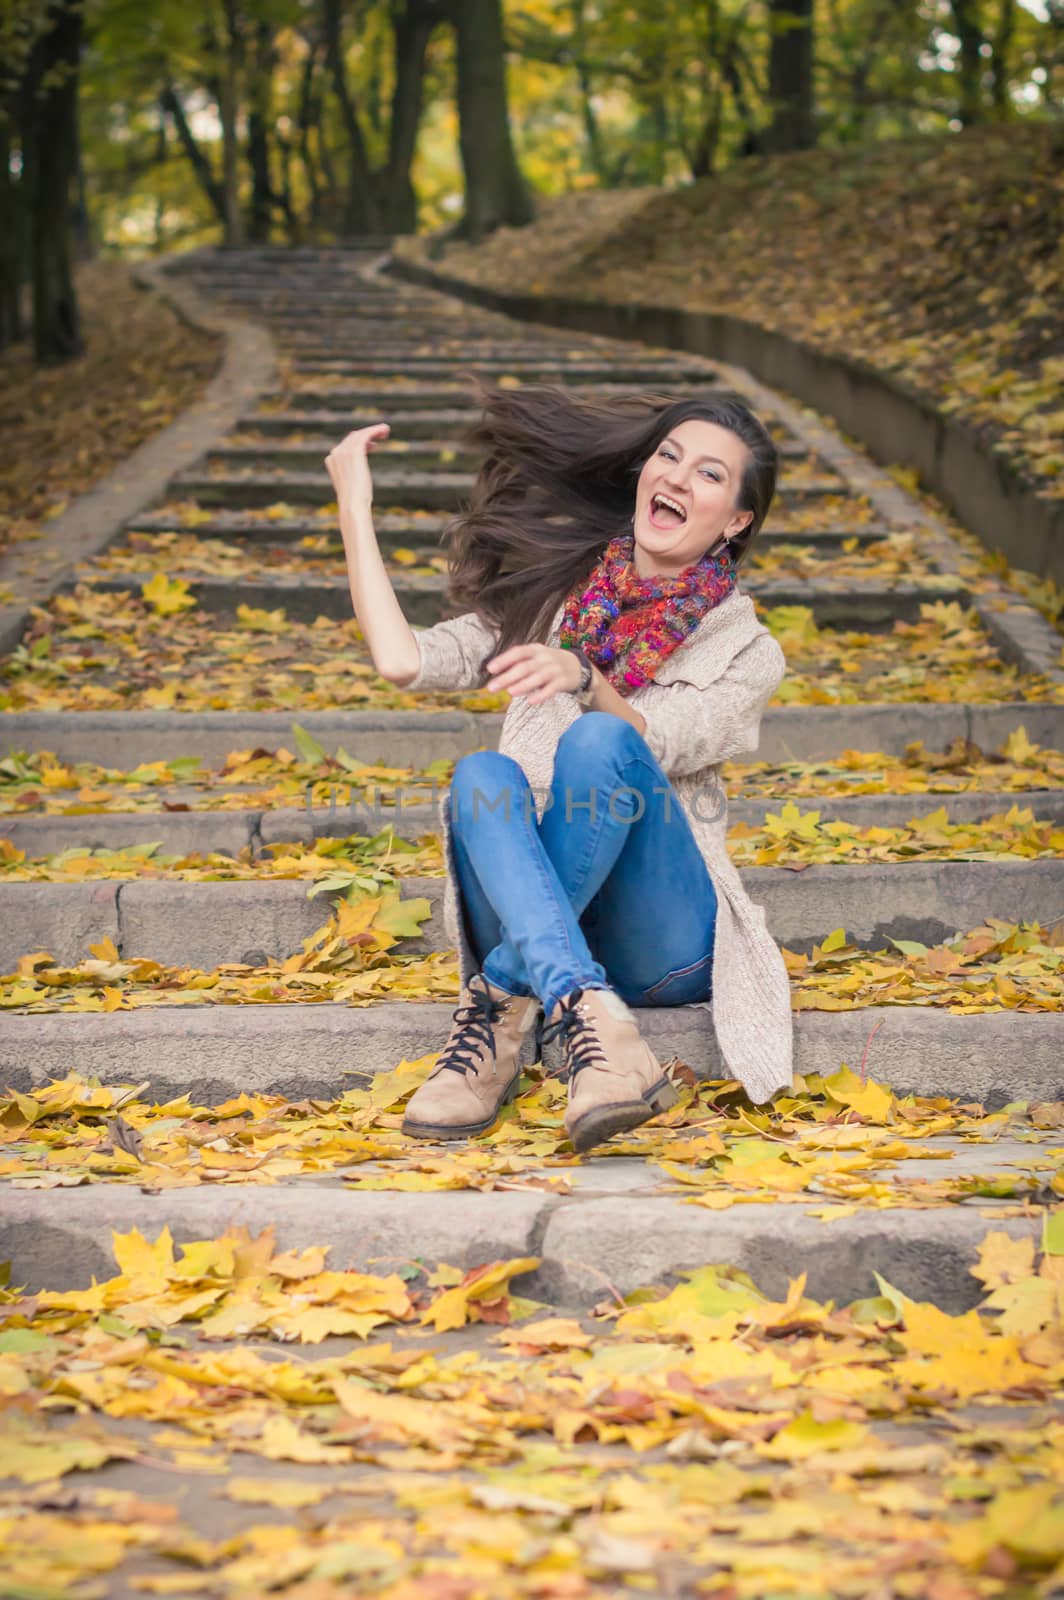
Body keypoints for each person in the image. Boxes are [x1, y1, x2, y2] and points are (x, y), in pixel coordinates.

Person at [324, 384, 793, 1156]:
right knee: (482, 775)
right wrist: (353, 505)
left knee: (599, 746)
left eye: (709, 475)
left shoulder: (747, 651)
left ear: (736, 519)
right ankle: (588, 1011)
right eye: (668, 456)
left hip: (657, 935)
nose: (676, 478)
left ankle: (501, 1000)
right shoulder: (554, 601)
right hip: (535, 898)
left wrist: (583, 677)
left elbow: (654, 738)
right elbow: (403, 661)